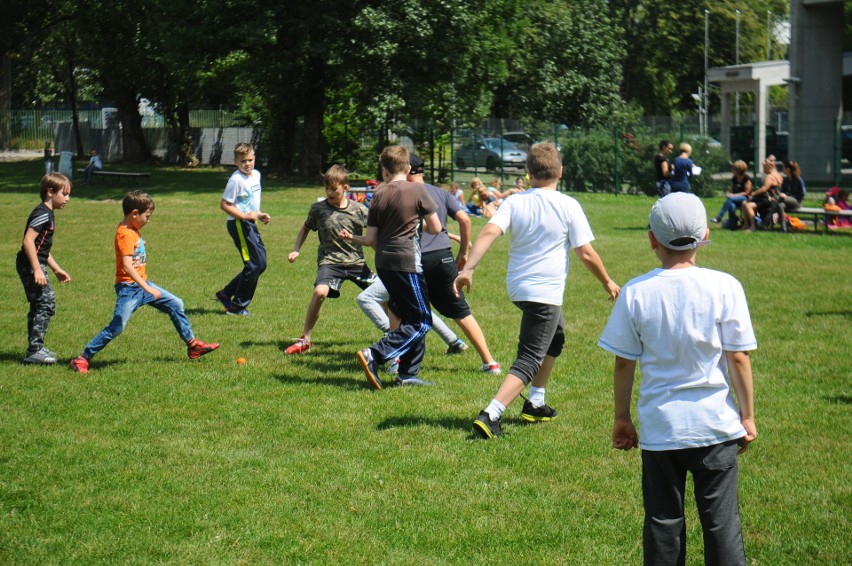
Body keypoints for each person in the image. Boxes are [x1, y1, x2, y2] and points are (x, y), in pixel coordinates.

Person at [598, 192, 757, 565]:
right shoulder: (725, 286)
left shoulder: (635, 291)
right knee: (721, 524)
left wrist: (622, 418)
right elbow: (738, 357)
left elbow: (624, 363)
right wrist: (746, 416)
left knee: (663, 522)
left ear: (652, 239)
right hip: (716, 425)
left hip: (661, 428)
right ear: (704, 235)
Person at [457, 142, 620, 439]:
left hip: (519, 287)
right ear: (560, 172)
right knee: (531, 356)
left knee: (555, 337)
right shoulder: (568, 204)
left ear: (529, 173)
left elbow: (491, 230)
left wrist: (469, 268)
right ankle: (491, 414)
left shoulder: (516, 202)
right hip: (543, 291)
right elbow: (584, 252)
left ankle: (536, 402)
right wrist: (607, 281)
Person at [69, 191, 219, 373]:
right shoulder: (125, 234)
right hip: (129, 289)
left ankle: (193, 345)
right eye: (147, 216)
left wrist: (140, 244)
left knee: (176, 304)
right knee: (117, 327)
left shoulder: (132, 230)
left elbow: (132, 249)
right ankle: (82, 358)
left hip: (142, 285)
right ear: (134, 214)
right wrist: (147, 288)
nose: (148, 220)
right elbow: (127, 266)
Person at [341, 145, 441, 389]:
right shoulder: (418, 190)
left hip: (383, 263)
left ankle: (407, 375)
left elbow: (371, 239)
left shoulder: (379, 195)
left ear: (384, 171)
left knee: (410, 316)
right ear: (408, 169)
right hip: (407, 263)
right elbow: (435, 228)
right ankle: (374, 354)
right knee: (422, 321)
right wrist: (418, 226)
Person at [409, 154, 502, 374]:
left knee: (403, 309)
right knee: (460, 310)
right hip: (443, 257)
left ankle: (398, 363)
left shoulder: (403, 193)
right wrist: (462, 253)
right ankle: (490, 362)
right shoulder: (441, 193)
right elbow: (465, 218)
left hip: (415, 258)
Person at [285, 165, 375, 355]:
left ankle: (395, 334)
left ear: (345, 188)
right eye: (327, 188)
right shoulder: (318, 209)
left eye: (334, 189)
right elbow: (306, 228)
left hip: (356, 263)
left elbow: (375, 233)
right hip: (330, 262)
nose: (330, 192)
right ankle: (305, 339)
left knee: (385, 293)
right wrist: (296, 249)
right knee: (320, 292)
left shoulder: (359, 209)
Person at [16, 173, 73, 365]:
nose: (67, 199)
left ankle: (35, 348)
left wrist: (56, 269)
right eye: (64, 194)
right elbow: (28, 241)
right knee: (46, 303)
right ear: (50, 192)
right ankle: (34, 351)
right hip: (30, 264)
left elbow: (42, 249)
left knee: (39, 304)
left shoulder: (48, 213)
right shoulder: (42, 213)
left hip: (33, 263)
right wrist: (37, 269)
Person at [215, 142, 271, 316]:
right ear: (236, 162)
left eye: (250, 160)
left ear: (255, 158)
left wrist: (259, 214)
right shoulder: (236, 180)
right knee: (254, 264)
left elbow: (250, 202)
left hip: (249, 223)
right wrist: (245, 216)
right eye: (243, 161)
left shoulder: (256, 175)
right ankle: (237, 306)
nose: (247, 164)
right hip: (239, 224)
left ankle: (226, 294)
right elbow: (225, 205)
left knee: (260, 264)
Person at [742, 156, 783, 231]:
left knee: (748, 205)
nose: (763, 169)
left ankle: (752, 227)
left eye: (764, 167)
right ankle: (746, 224)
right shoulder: (778, 175)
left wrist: (753, 194)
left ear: (769, 166)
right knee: (744, 203)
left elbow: (764, 189)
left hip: (768, 200)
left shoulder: (770, 177)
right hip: (771, 199)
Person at [711, 160, 752, 229]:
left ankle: (719, 217)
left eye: (734, 169)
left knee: (730, 199)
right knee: (732, 205)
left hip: (745, 198)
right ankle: (733, 224)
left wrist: (733, 195)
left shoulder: (747, 179)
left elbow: (747, 192)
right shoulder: (734, 178)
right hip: (734, 199)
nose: (732, 170)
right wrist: (729, 194)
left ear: (739, 170)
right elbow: (731, 191)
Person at [773, 161, 805, 232]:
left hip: (797, 202)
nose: (783, 169)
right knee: (780, 205)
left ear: (788, 169)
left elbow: (802, 195)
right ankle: (783, 228)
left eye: (784, 168)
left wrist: (787, 197)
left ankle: (767, 220)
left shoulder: (798, 180)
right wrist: (781, 194)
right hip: (785, 201)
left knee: (778, 200)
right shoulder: (786, 180)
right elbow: (782, 192)